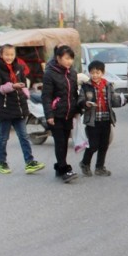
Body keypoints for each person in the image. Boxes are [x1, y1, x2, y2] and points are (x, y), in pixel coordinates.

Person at [0, 44, 45, 175]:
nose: (9, 57)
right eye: (6, 54)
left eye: (12, 54)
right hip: (5, 109)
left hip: (19, 108)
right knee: (4, 138)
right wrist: (12, 86)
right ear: (1, 55)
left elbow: (23, 83)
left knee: (24, 137)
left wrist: (25, 92)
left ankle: (29, 162)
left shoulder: (18, 67)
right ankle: (2, 163)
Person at [77, 60, 123, 177]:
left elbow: (113, 100)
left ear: (103, 73)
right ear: (89, 73)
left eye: (98, 73)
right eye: (92, 73)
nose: (95, 75)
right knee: (93, 145)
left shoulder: (108, 85)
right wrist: (85, 104)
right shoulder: (86, 86)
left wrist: (121, 100)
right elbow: (80, 100)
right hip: (92, 121)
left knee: (104, 145)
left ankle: (100, 167)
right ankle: (85, 163)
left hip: (106, 119)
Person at [42, 45, 80, 183]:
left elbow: (74, 94)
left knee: (64, 143)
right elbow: (46, 97)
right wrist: (49, 115)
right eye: (66, 58)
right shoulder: (49, 74)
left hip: (68, 114)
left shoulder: (73, 73)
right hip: (56, 114)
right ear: (58, 58)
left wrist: (78, 109)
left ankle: (59, 167)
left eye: (71, 59)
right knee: (60, 142)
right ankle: (64, 169)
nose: (69, 61)